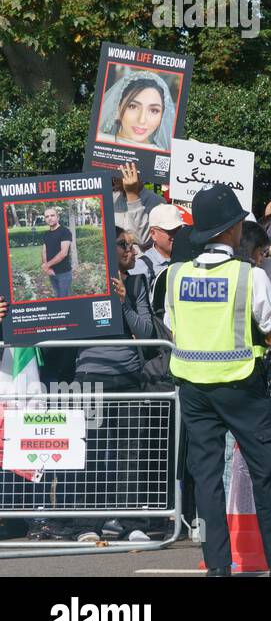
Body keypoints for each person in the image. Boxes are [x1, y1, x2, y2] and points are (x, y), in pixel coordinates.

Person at [164, 184, 271, 576]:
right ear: (233, 230)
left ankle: (219, 568)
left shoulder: (176, 275)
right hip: (241, 386)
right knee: (268, 472)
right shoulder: (248, 276)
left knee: (207, 480)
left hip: (194, 389)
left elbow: (172, 327)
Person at [71, 227, 156, 543]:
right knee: (90, 453)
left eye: (133, 246)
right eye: (123, 245)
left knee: (129, 452)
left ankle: (130, 520)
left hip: (128, 379)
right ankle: (88, 524)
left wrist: (124, 303)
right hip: (90, 377)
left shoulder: (136, 283)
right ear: (108, 248)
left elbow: (147, 333)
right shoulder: (84, 284)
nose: (130, 251)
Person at [96, 71, 175, 150]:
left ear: (162, 116)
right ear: (118, 108)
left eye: (154, 110)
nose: (142, 120)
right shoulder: (99, 143)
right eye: (132, 106)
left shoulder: (163, 155)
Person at [40, 206, 74, 299]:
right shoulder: (46, 234)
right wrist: (47, 267)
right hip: (52, 272)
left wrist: (47, 265)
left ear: (57, 217)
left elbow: (63, 253)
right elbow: (44, 251)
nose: (50, 218)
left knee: (64, 301)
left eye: (52, 215)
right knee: (57, 297)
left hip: (64, 273)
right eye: (47, 216)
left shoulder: (65, 231)